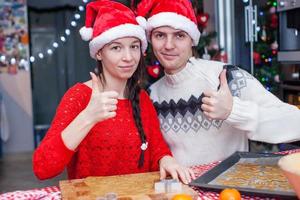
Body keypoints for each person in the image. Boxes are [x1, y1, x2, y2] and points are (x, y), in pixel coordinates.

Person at [33, 0, 194, 184]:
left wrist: (166, 159)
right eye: (116, 48)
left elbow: (157, 149)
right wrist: (88, 117)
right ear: (99, 53)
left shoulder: (141, 97)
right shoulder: (79, 96)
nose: (128, 57)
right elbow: (42, 167)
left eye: (134, 46)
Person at [137, 0, 300, 167]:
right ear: (151, 40)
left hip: (229, 190)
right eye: (160, 35)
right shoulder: (151, 95)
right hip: (180, 191)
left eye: (179, 35)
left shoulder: (228, 78)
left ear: (192, 40)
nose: (168, 45)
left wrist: (233, 111)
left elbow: (296, 123)